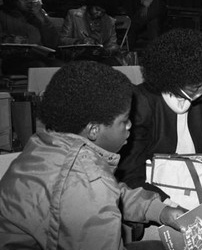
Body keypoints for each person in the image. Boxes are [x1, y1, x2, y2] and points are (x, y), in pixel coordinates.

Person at [0, 61, 186, 250]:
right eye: (124, 121)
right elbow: (95, 192)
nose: (130, 125)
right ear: (94, 130)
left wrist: (159, 211)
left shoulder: (45, 144)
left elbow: (114, 190)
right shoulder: (89, 181)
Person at [115, 28, 202, 238]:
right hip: (154, 206)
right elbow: (131, 176)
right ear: (172, 80)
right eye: (197, 86)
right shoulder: (140, 104)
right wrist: (173, 207)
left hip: (198, 202)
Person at [0, 0, 62, 74]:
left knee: (60, 65)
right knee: (39, 66)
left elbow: (53, 44)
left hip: (36, 56)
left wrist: (41, 19)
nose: (29, 1)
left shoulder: (34, 16)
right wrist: (11, 39)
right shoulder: (2, 15)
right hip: (10, 59)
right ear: (12, 0)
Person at [60, 0, 122, 65]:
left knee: (114, 63)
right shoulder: (74, 15)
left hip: (100, 58)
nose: (99, 13)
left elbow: (113, 44)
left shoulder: (109, 21)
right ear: (90, 5)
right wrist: (80, 42)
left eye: (102, 12)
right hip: (77, 57)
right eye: (97, 9)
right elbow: (62, 40)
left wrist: (105, 51)